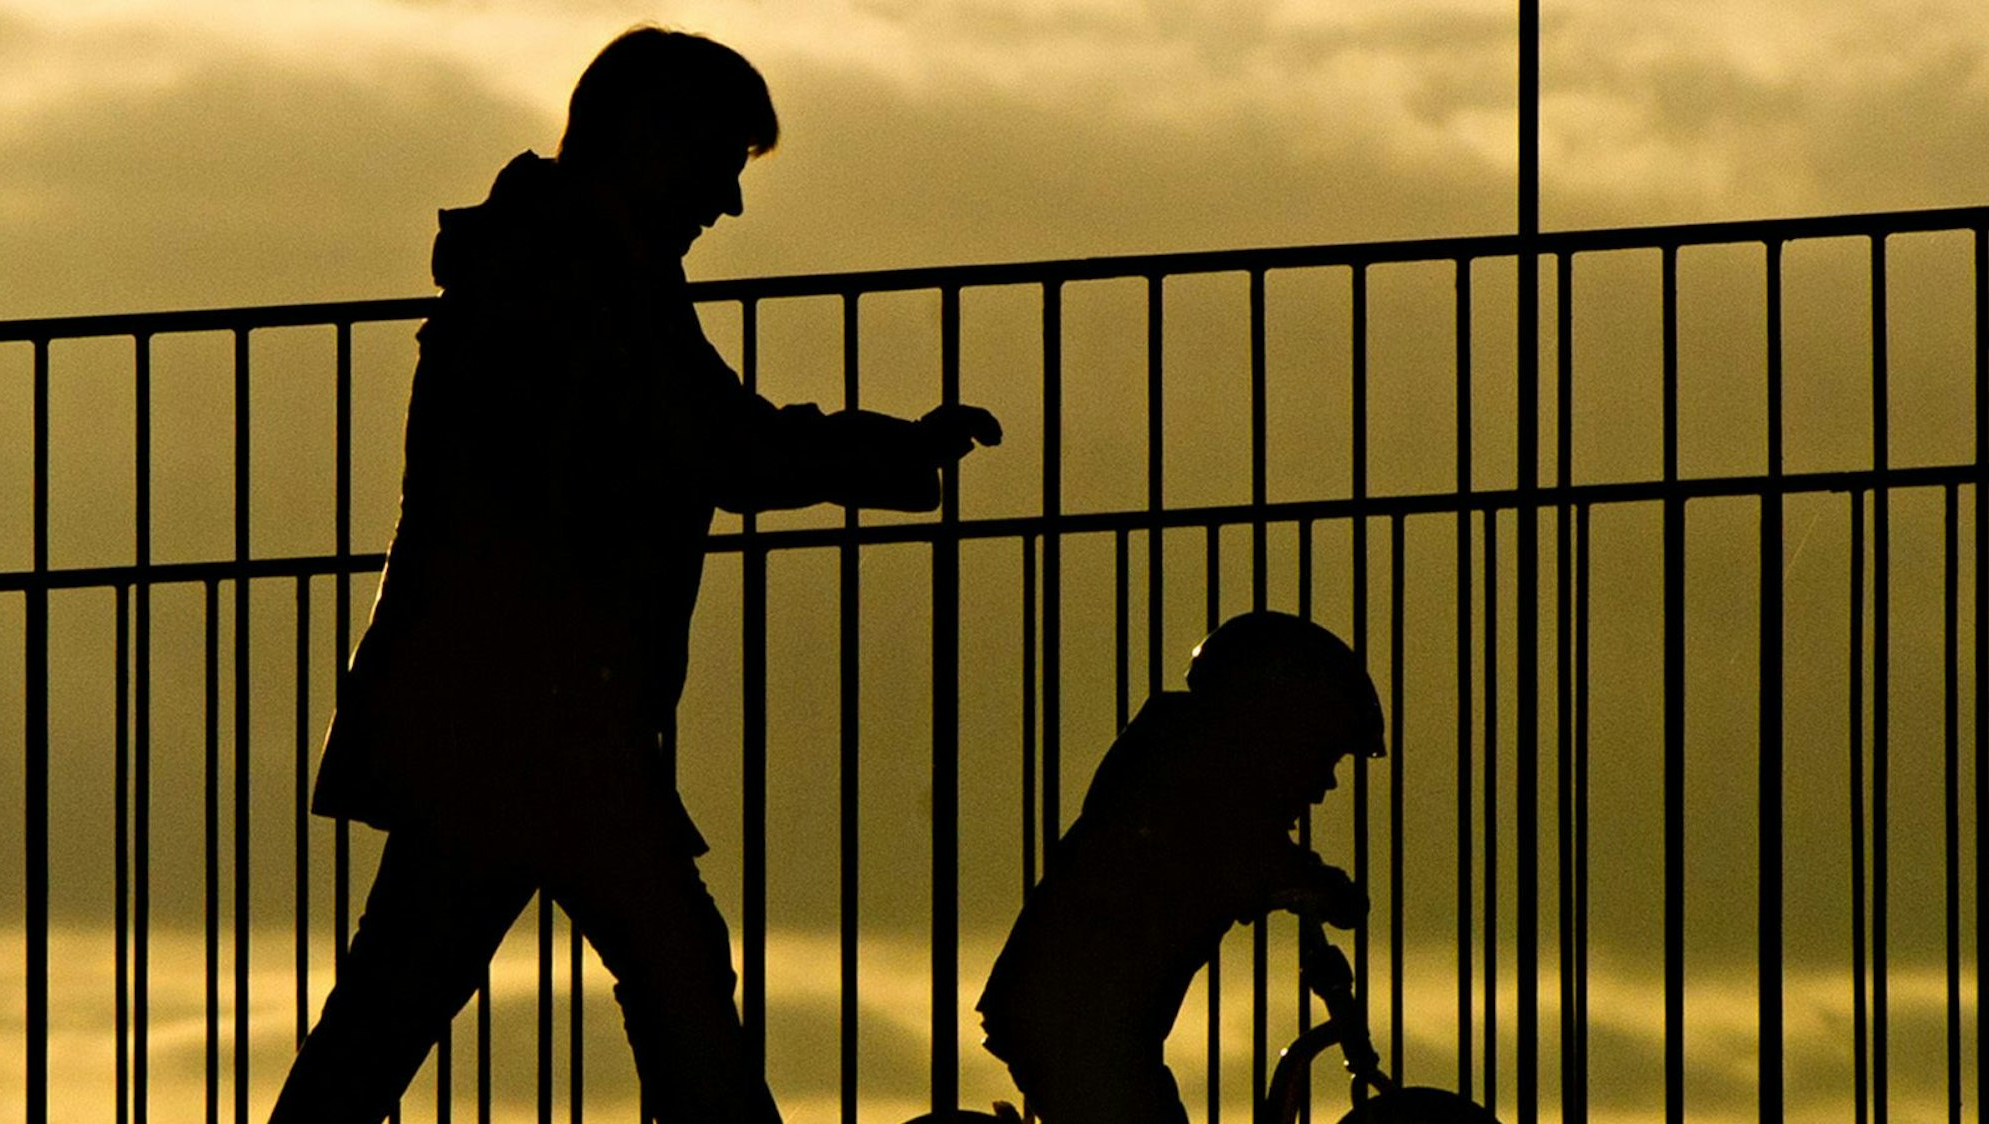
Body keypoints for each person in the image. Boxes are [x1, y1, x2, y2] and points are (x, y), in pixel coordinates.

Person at [268, 26, 1001, 1124]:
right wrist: (894, 451)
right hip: (535, 711)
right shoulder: (582, 277)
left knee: (415, 997)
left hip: (512, 709)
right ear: (653, 139)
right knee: (663, 969)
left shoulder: (555, 261)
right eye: (721, 165)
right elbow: (724, 445)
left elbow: (706, 441)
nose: (729, 207)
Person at [974, 611, 1381, 1124]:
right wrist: (1318, 884)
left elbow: (1243, 848)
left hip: (1082, 1020)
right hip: (1072, 1020)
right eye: (1323, 756)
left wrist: (1308, 880)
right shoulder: (1190, 775)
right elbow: (1234, 848)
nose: (1327, 785)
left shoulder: (1192, 766)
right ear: (1276, 730)